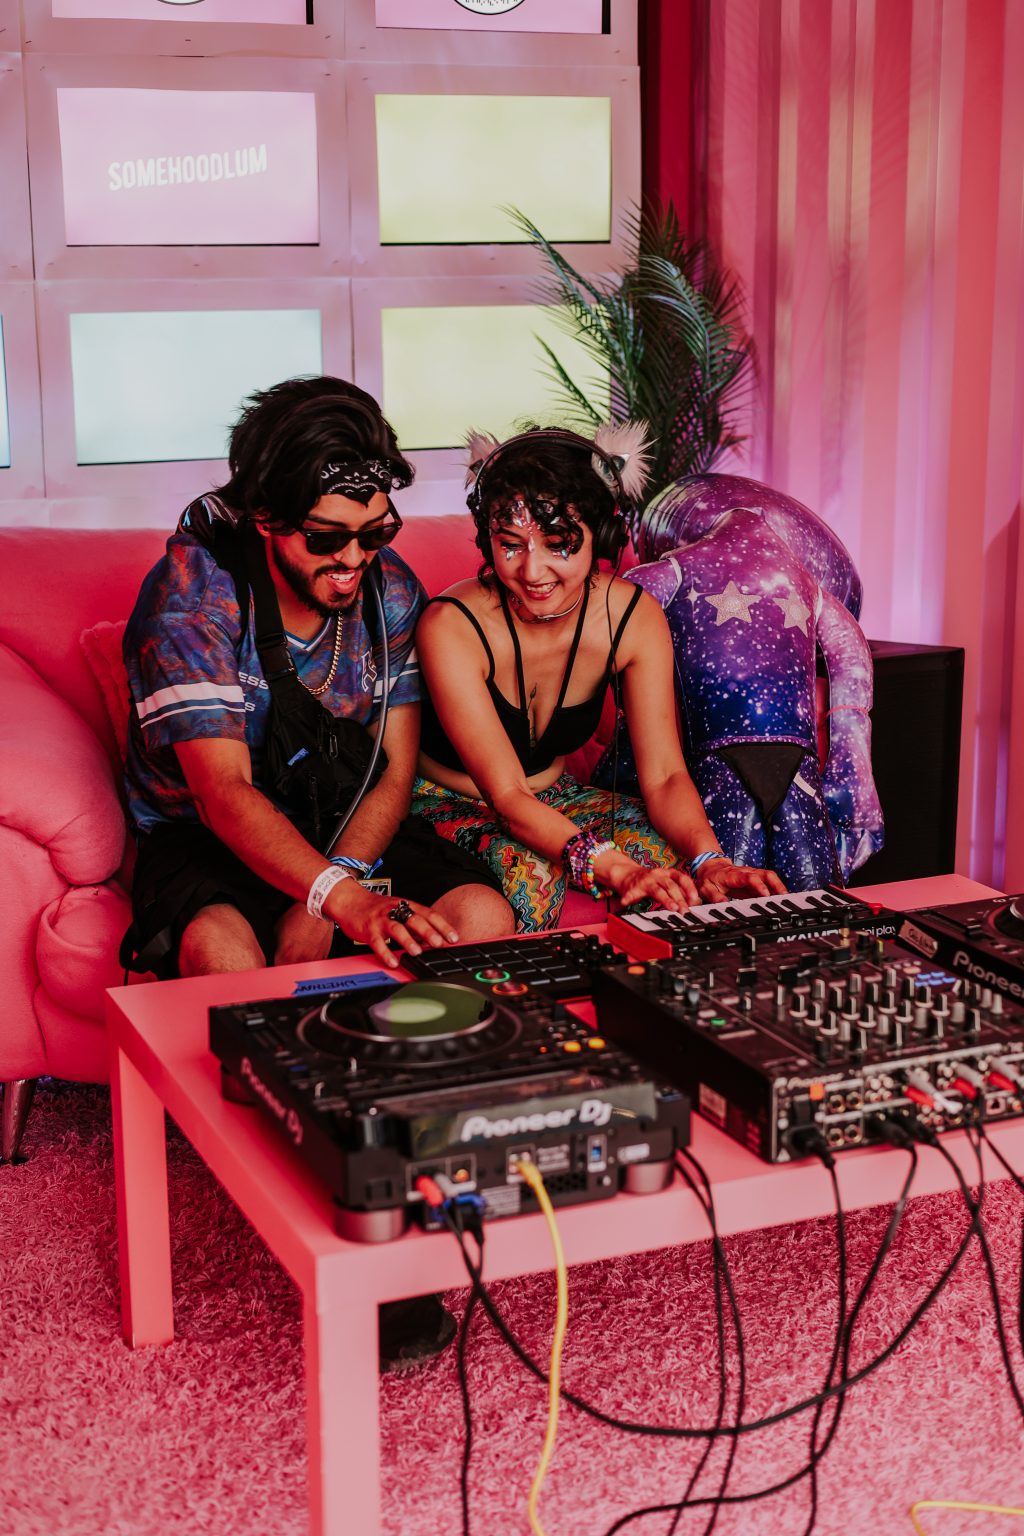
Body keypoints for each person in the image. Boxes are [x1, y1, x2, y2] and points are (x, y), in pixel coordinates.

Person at [121, 375, 513, 982]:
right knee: (224, 958)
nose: (354, 559)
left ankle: (397, 1046)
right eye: (326, 537)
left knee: (481, 917)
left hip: (341, 821)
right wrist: (336, 898)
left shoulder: (391, 591)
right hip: (209, 839)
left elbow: (393, 768)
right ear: (266, 516)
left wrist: (343, 879)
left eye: (376, 533)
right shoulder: (194, 603)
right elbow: (222, 793)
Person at [411, 425, 786, 929]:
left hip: (557, 794)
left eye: (558, 543)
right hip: (441, 802)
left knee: (677, 875)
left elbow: (664, 775)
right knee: (530, 879)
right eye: (511, 544)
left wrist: (708, 860)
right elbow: (508, 797)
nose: (533, 570)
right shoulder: (451, 625)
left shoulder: (632, 617)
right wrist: (616, 868)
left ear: (602, 536)